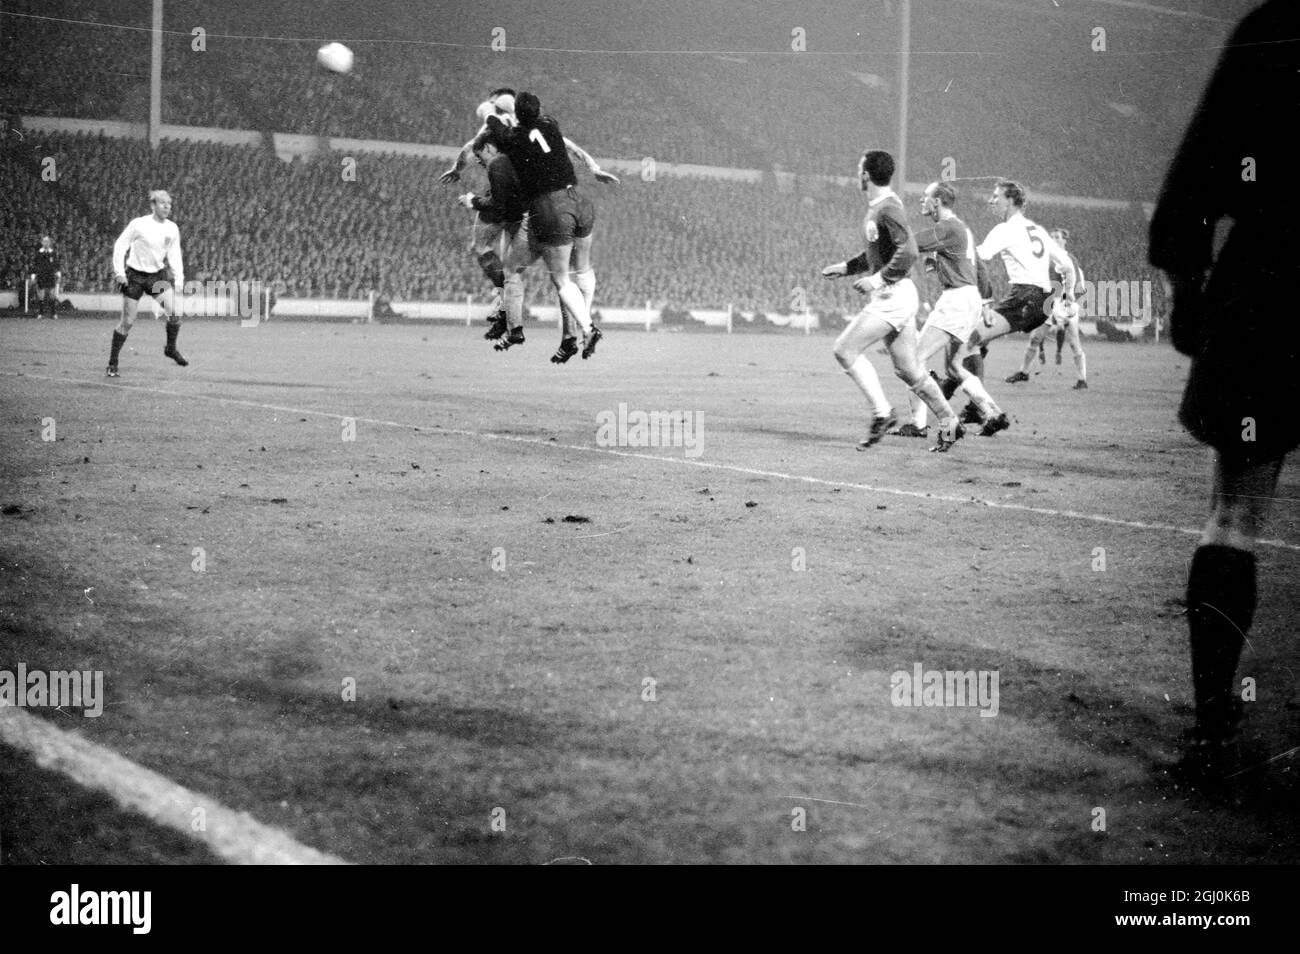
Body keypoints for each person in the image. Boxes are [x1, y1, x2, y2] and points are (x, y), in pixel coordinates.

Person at [1149, 0, 1299, 788]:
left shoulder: (1272, 24)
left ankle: (1212, 729)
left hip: (1269, 277)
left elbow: (1202, 157)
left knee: (1233, 515)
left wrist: (1186, 283)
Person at [822, 150, 964, 452]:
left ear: (865, 174)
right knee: (908, 370)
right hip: (898, 293)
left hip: (894, 294)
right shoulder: (879, 208)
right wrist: (847, 268)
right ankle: (949, 420)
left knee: (845, 350)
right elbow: (877, 254)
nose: (857, 173)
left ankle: (882, 414)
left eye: (859, 168)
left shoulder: (888, 208)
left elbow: (910, 250)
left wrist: (877, 280)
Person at [892, 181, 1009, 437]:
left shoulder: (947, 228)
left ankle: (918, 424)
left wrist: (887, 234)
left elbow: (912, 243)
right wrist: (986, 302)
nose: (922, 201)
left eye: (926, 197)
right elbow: (980, 269)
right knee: (955, 368)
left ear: (937, 201)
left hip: (956, 300)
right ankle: (993, 413)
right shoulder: (962, 229)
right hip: (970, 299)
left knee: (913, 361)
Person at [489, 93, 600, 362]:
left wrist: (492, 115)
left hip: (550, 207)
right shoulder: (551, 125)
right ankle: (573, 335)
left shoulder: (513, 140)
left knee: (559, 278)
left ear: (516, 114)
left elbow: (498, 129)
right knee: (580, 269)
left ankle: (587, 328)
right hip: (580, 199)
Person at [970, 180, 1076, 433]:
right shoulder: (1037, 230)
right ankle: (973, 407)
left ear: (1009, 200)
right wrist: (1069, 294)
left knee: (969, 341)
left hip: (1023, 298)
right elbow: (1067, 266)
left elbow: (978, 256)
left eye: (996, 196)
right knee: (978, 341)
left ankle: (985, 410)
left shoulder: (1005, 229)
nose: (992, 200)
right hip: (1043, 302)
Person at [107, 190, 186, 377]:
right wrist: (119, 273)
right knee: (127, 322)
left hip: (156, 277)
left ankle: (170, 348)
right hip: (134, 276)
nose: (167, 206)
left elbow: (174, 254)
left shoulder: (172, 228)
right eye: (162, 203)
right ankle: (112, 362)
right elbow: (120, 245)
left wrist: (179, 278)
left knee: (175, 313)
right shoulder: (139, 224)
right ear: (153, 205)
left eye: (169, 203)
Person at [1008, 227, 1087, 389]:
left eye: (1057, 237)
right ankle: (1023, 372)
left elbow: (1077, 282)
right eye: (1052, 237)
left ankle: (1082, 379)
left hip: (1065, 303)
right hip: (1049, 303)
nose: (1054, 239)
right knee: (1035, 339)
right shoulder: (1046, 259)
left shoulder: (1069, 258)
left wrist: (1069, 301)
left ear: (1065, 240)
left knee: (1073, 342)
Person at [30, 235, 60, 319]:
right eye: (44, 241)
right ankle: (41, 313)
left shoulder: (53, 253)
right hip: (41, 275)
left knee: (52, 294)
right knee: (41, 295)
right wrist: (33, 277)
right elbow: (34, 265)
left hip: (50, 275)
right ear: (42, 243)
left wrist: (58, 275)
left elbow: (57, 265)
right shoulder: (38, 253)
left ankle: (53, 313)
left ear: (50, 243)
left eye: (47, 241)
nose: (46, 243)